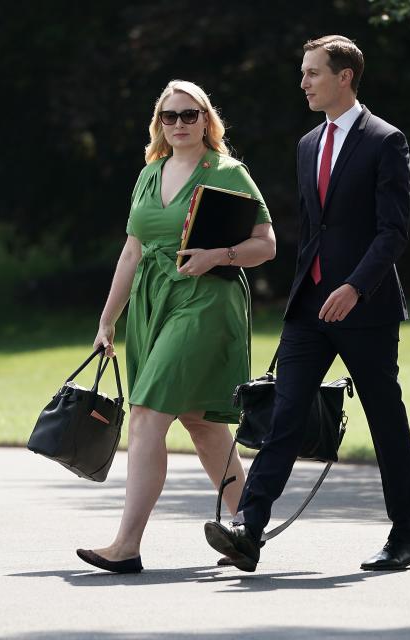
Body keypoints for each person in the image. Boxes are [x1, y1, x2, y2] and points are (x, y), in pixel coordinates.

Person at [205, 35, 410, 573]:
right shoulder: (307, 145)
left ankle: (407, 537)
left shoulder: (385, 141)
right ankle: (248, 529)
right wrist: (305, 290)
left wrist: (355, 287)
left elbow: (392, 233)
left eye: (312, 73)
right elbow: (313, 231)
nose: (303, 82)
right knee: (284, 415)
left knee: (385, 420)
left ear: (344, 76)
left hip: (364, 309)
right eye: (303, 73)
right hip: (309, 310)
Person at [76, 80, 276, 573]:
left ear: (206, 119)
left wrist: (218, 256)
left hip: (205, 303)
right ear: (159, 123)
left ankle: (126, 545)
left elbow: (266, 245)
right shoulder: (150, 174)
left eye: (190, 115)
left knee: (146, 412)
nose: (181, 124)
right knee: (203, 424)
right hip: (152, 304)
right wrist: (107, 321)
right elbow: (132, 251)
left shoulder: (229, 173)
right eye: (171, 116)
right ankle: (247, 532)